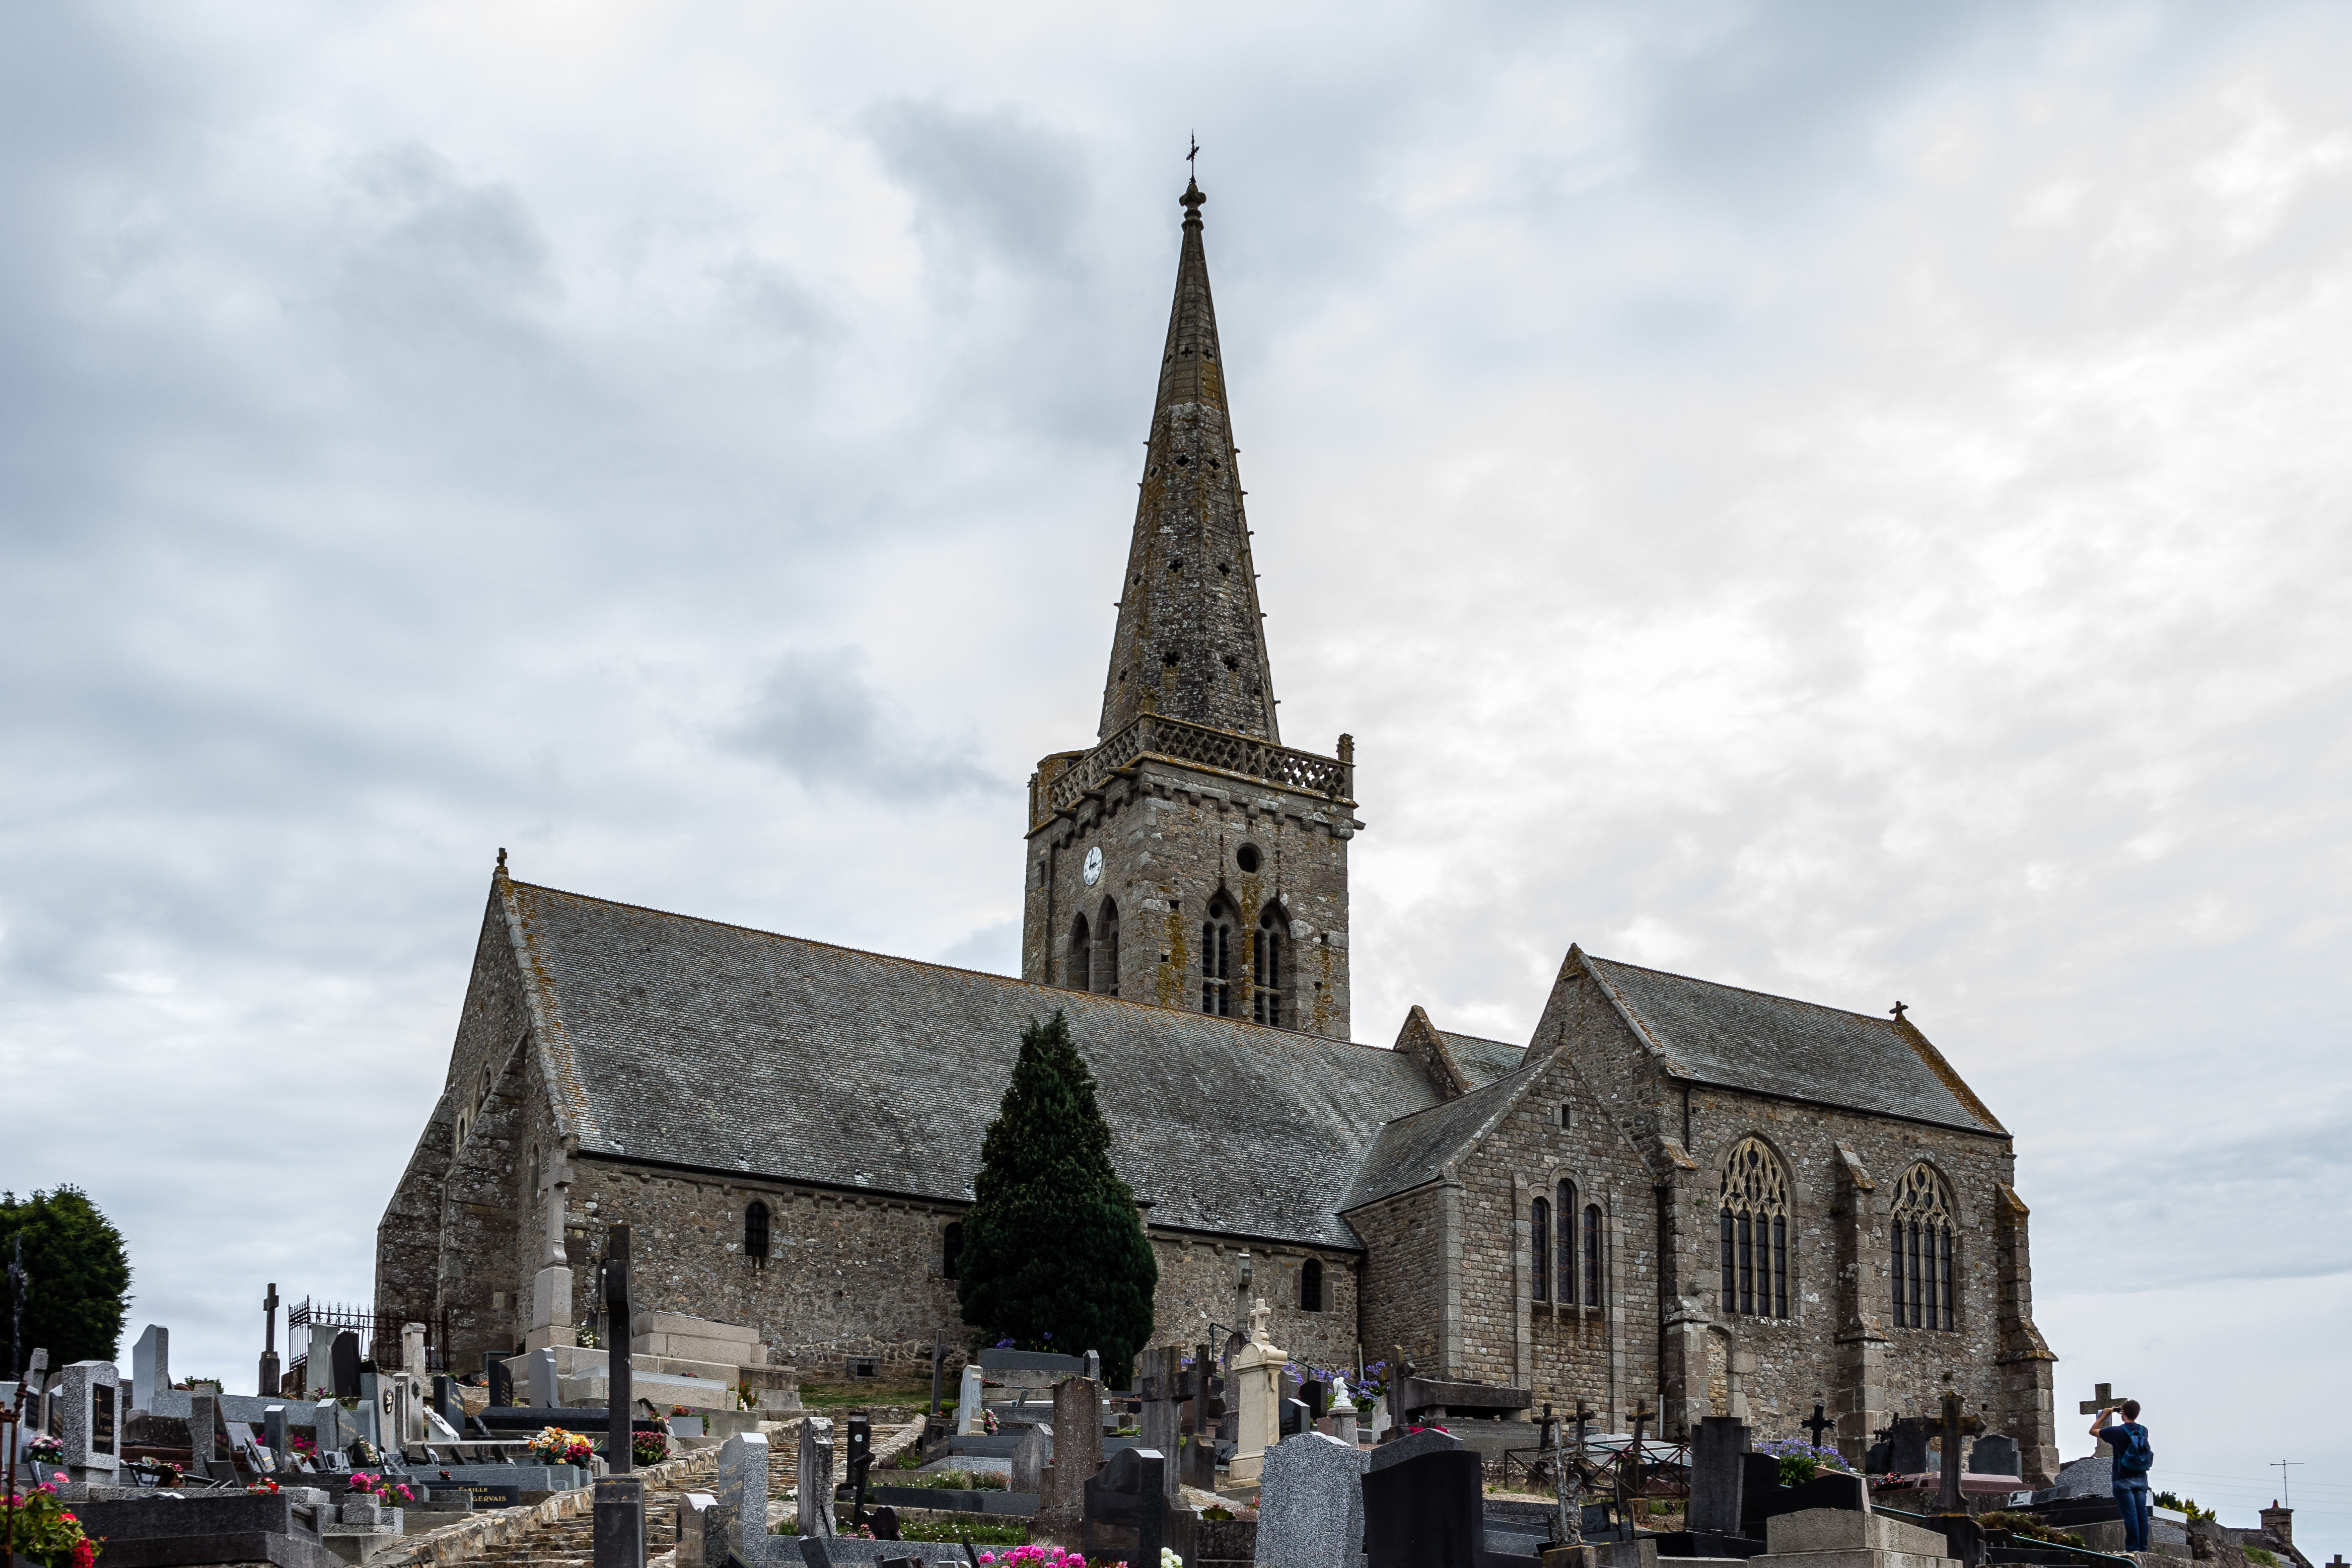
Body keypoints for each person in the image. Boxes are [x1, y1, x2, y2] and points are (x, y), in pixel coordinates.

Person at [2091, 1399, 2155, 1552]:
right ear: (2137, 1414)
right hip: (2141, 1479)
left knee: (2130, 1515)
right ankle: (2143, 1549)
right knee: (2142, 1514)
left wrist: (2105, 1415)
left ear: (2123, 1413)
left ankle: (2133, 1549)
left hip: (2122, 1479)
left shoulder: (2116, 1432)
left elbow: (2093, 1431)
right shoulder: (2144, 1431)